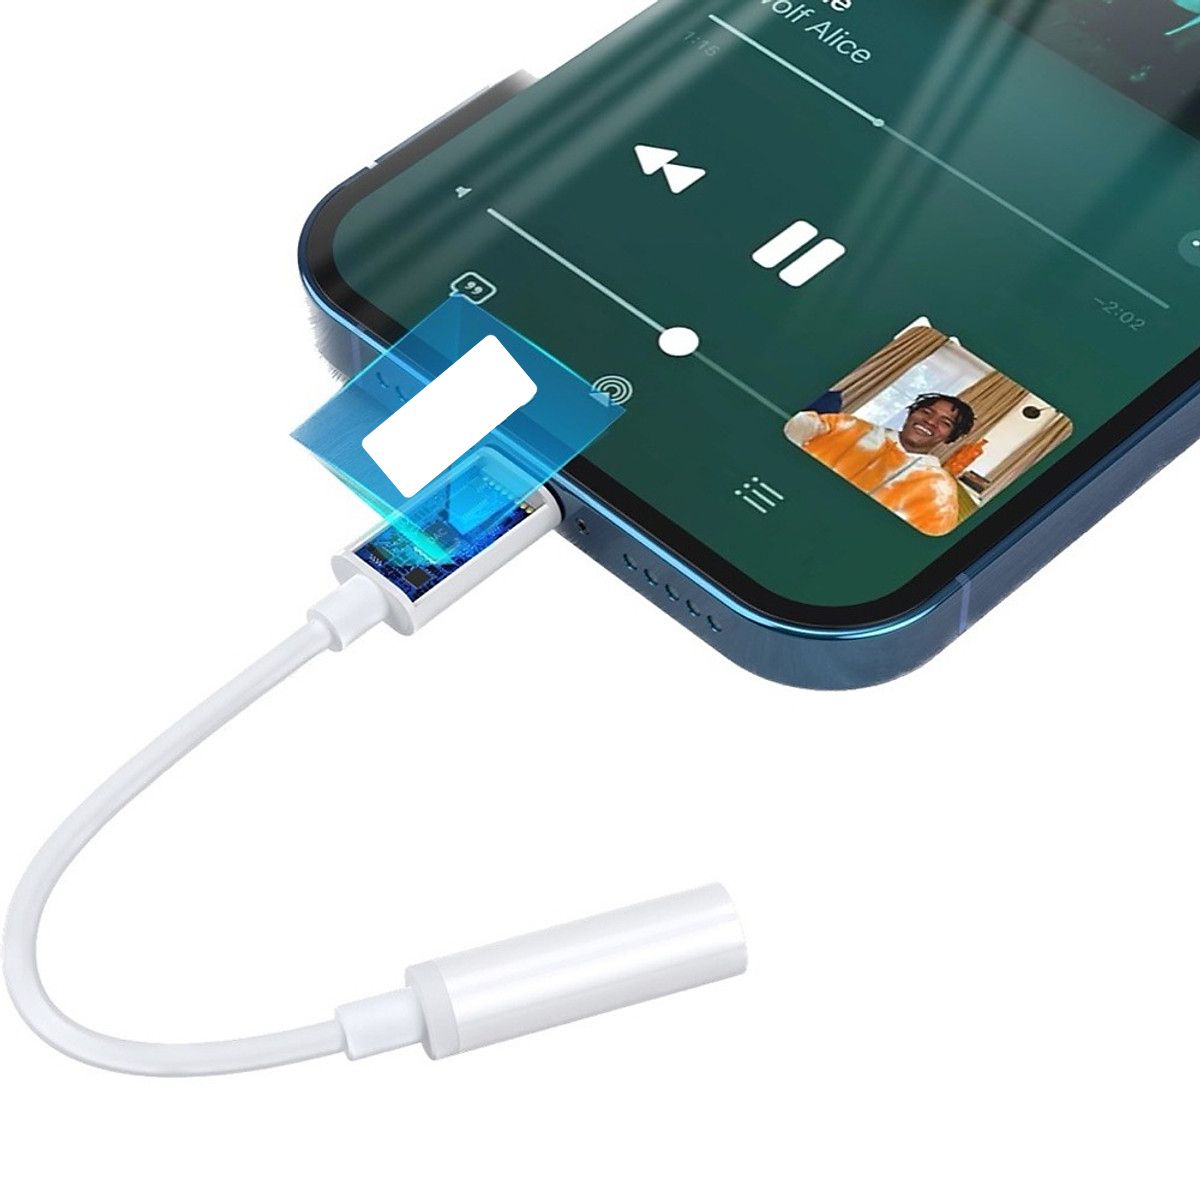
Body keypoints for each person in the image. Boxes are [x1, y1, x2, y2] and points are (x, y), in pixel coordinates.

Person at [784, 393, 976, 536]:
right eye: (926, 411)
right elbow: (790, 429)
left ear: (950, 437)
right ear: (910, 414)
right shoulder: (850, 427)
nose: (930, 421)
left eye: (945, 423)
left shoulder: (939, 490)